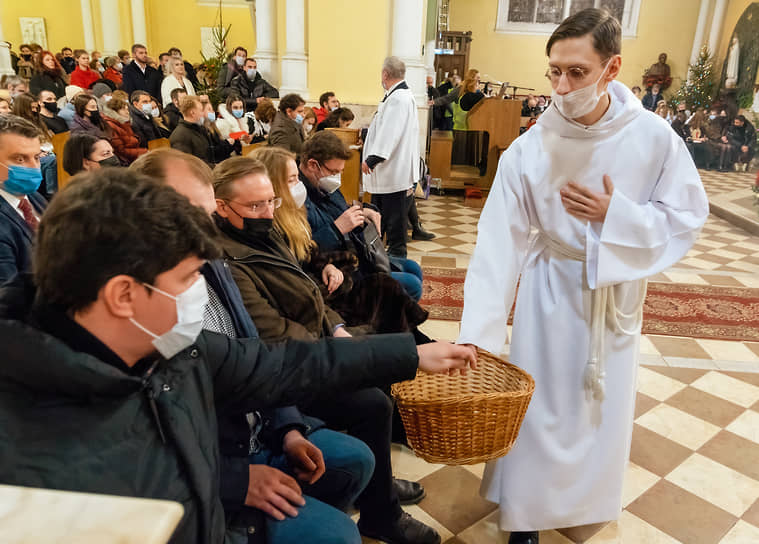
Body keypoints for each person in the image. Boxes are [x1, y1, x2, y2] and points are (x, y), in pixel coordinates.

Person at [0, 163, 476, 544]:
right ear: (124, 295)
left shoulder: (162, 341)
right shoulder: (32, 450)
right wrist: (237, 481)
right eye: (187, 280)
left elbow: (276, 364)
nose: (198, 294)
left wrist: (412, 355)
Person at [458, 10, 708, 544]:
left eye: (576, 72)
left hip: (613, 297)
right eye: (553, 72)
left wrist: (615, 217)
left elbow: (686, 216)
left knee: (599, 405)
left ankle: (585, 501)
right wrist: (477, 339)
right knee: (540, 404)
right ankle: (525, 515)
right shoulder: (531, 146)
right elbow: (498, 244)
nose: (561, 86)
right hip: (550, 289)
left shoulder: (654, 137)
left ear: (612, 67)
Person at [130, 148, 375, 544]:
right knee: (338, 533)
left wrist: (289, 427)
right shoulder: (138, 300)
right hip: (218, 459)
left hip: (258, 423)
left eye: (205, 215)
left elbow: (251, 352)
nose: (205, 230)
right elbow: (143, 450)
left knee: (356, 459)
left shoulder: (213, 262)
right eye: (191, 214)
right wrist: (236, 479)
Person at [213, 156, 442, 544]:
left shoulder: (263, 233)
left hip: (311, 343)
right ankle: (380, 513)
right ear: (220, 207)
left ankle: (379, 489)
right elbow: (272, 333)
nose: (268, 212)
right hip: (290, 366)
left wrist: (335, 326)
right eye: (256, 206)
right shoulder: (229, 257)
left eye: (272, 201)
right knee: (371, 400)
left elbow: (309, 292)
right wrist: (332, 346)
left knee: (376, 368)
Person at [302, 131, 425, 302]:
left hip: (355, 251)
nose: (337, 177)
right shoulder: (300, 197)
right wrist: (337, 229)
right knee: (412, 284)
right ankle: (388, 322)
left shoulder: (322, 182)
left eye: (340, 171)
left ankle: (396, 317)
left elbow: (338, 208)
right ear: (313, 165)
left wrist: (363, 210)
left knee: (413, 268)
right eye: (333, 171)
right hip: (339, 265)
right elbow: (304, 248)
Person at [361, 56, 419, 260]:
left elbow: (390, 133)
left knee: (394, 219)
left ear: (385, 74)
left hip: (391, 171)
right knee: (383, 215)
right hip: (391, 172)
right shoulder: (397, 96)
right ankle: (379, 255)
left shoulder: (397, 98)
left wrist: (373, 158)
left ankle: (396, 257)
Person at [0, 115, 46, 284]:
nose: (34, 168)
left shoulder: (32, 196)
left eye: (37, 157)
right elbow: (8, 302)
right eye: (20, 159)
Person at [11, 93, 58, 198]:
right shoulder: (15, 125)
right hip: (29, 158)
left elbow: (46, 140)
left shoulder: (38, 121)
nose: (34, 111)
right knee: (51, 161)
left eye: (36, 107)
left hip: (46, 151)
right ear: (23, 108)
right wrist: (36, 153)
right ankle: (52, 195)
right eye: (31, 108)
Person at [170, 95, 239, 165]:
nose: (203, 114)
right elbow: (186, 165)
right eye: (201, 110)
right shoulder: (180, 136)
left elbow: (210, 154)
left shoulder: (200, 129)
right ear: (192, 113)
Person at [103, 95, 147, 164]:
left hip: (134, 157)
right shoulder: (111, 126)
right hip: (126, 162)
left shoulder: (124, 123)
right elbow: (121, 151)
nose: (127, 112)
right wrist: (144, 152)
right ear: (115, 111)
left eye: (127, 109)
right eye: (124, 109)